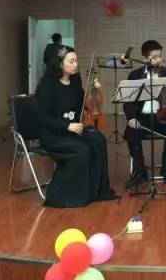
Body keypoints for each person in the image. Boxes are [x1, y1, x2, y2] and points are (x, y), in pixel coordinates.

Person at [35, 47, 116, 208]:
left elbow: (83, 105)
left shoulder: (75, 81)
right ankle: (69, 195)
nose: (75, 64)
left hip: (73, 130)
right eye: (71, 61)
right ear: (60, 64)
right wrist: (67, 125)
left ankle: (96, 191)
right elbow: (42, 117)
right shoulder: (48, 85)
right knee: (81, 149)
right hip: (53, 135)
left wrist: (93, 91)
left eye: (76, 61)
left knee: (98, 139)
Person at [124, 40, 166, 188]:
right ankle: (140, 171)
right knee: (131, 132)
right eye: (155, 57)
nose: (159, 60)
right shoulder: (135, 75)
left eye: (160, 56)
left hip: (163, 116)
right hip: (143, 117)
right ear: (145, 58)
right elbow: (128, 102)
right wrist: (132, 118)